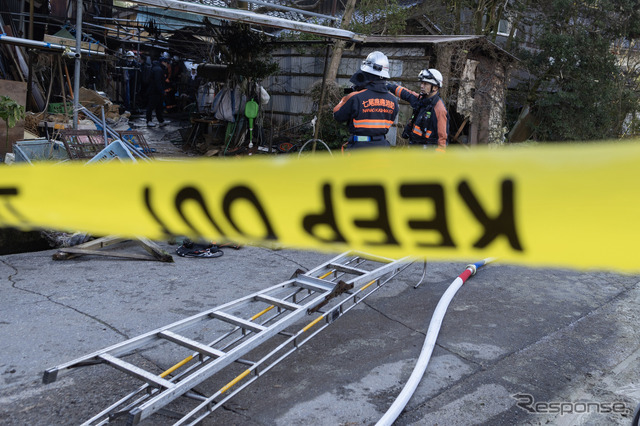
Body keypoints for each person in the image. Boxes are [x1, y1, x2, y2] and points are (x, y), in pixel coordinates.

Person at [333, 51, 398, 149]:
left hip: (359, 149)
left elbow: (337, 115)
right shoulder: (393, 100)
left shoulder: (355, 97)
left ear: (367, 74)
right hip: (382, 149)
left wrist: (345, 99)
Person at [387, 68, 448, 152]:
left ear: (435, 87)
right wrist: (389, 87)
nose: (421, 86)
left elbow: (442, 140)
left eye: (425, 84)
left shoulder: (439, 109)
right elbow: (407, 94)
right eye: (422, 83)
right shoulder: (422, 100)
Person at [146, 56, 169, 127]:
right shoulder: (158, 70)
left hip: (156, 91)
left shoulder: (158, 68)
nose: (167, 64)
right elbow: (158, 82)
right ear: (163, 62)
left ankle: (161, 121)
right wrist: (162, 91)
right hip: (155, 91)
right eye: (166, 62)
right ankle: (149, 121)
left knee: (159, 107)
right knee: (151, 106)